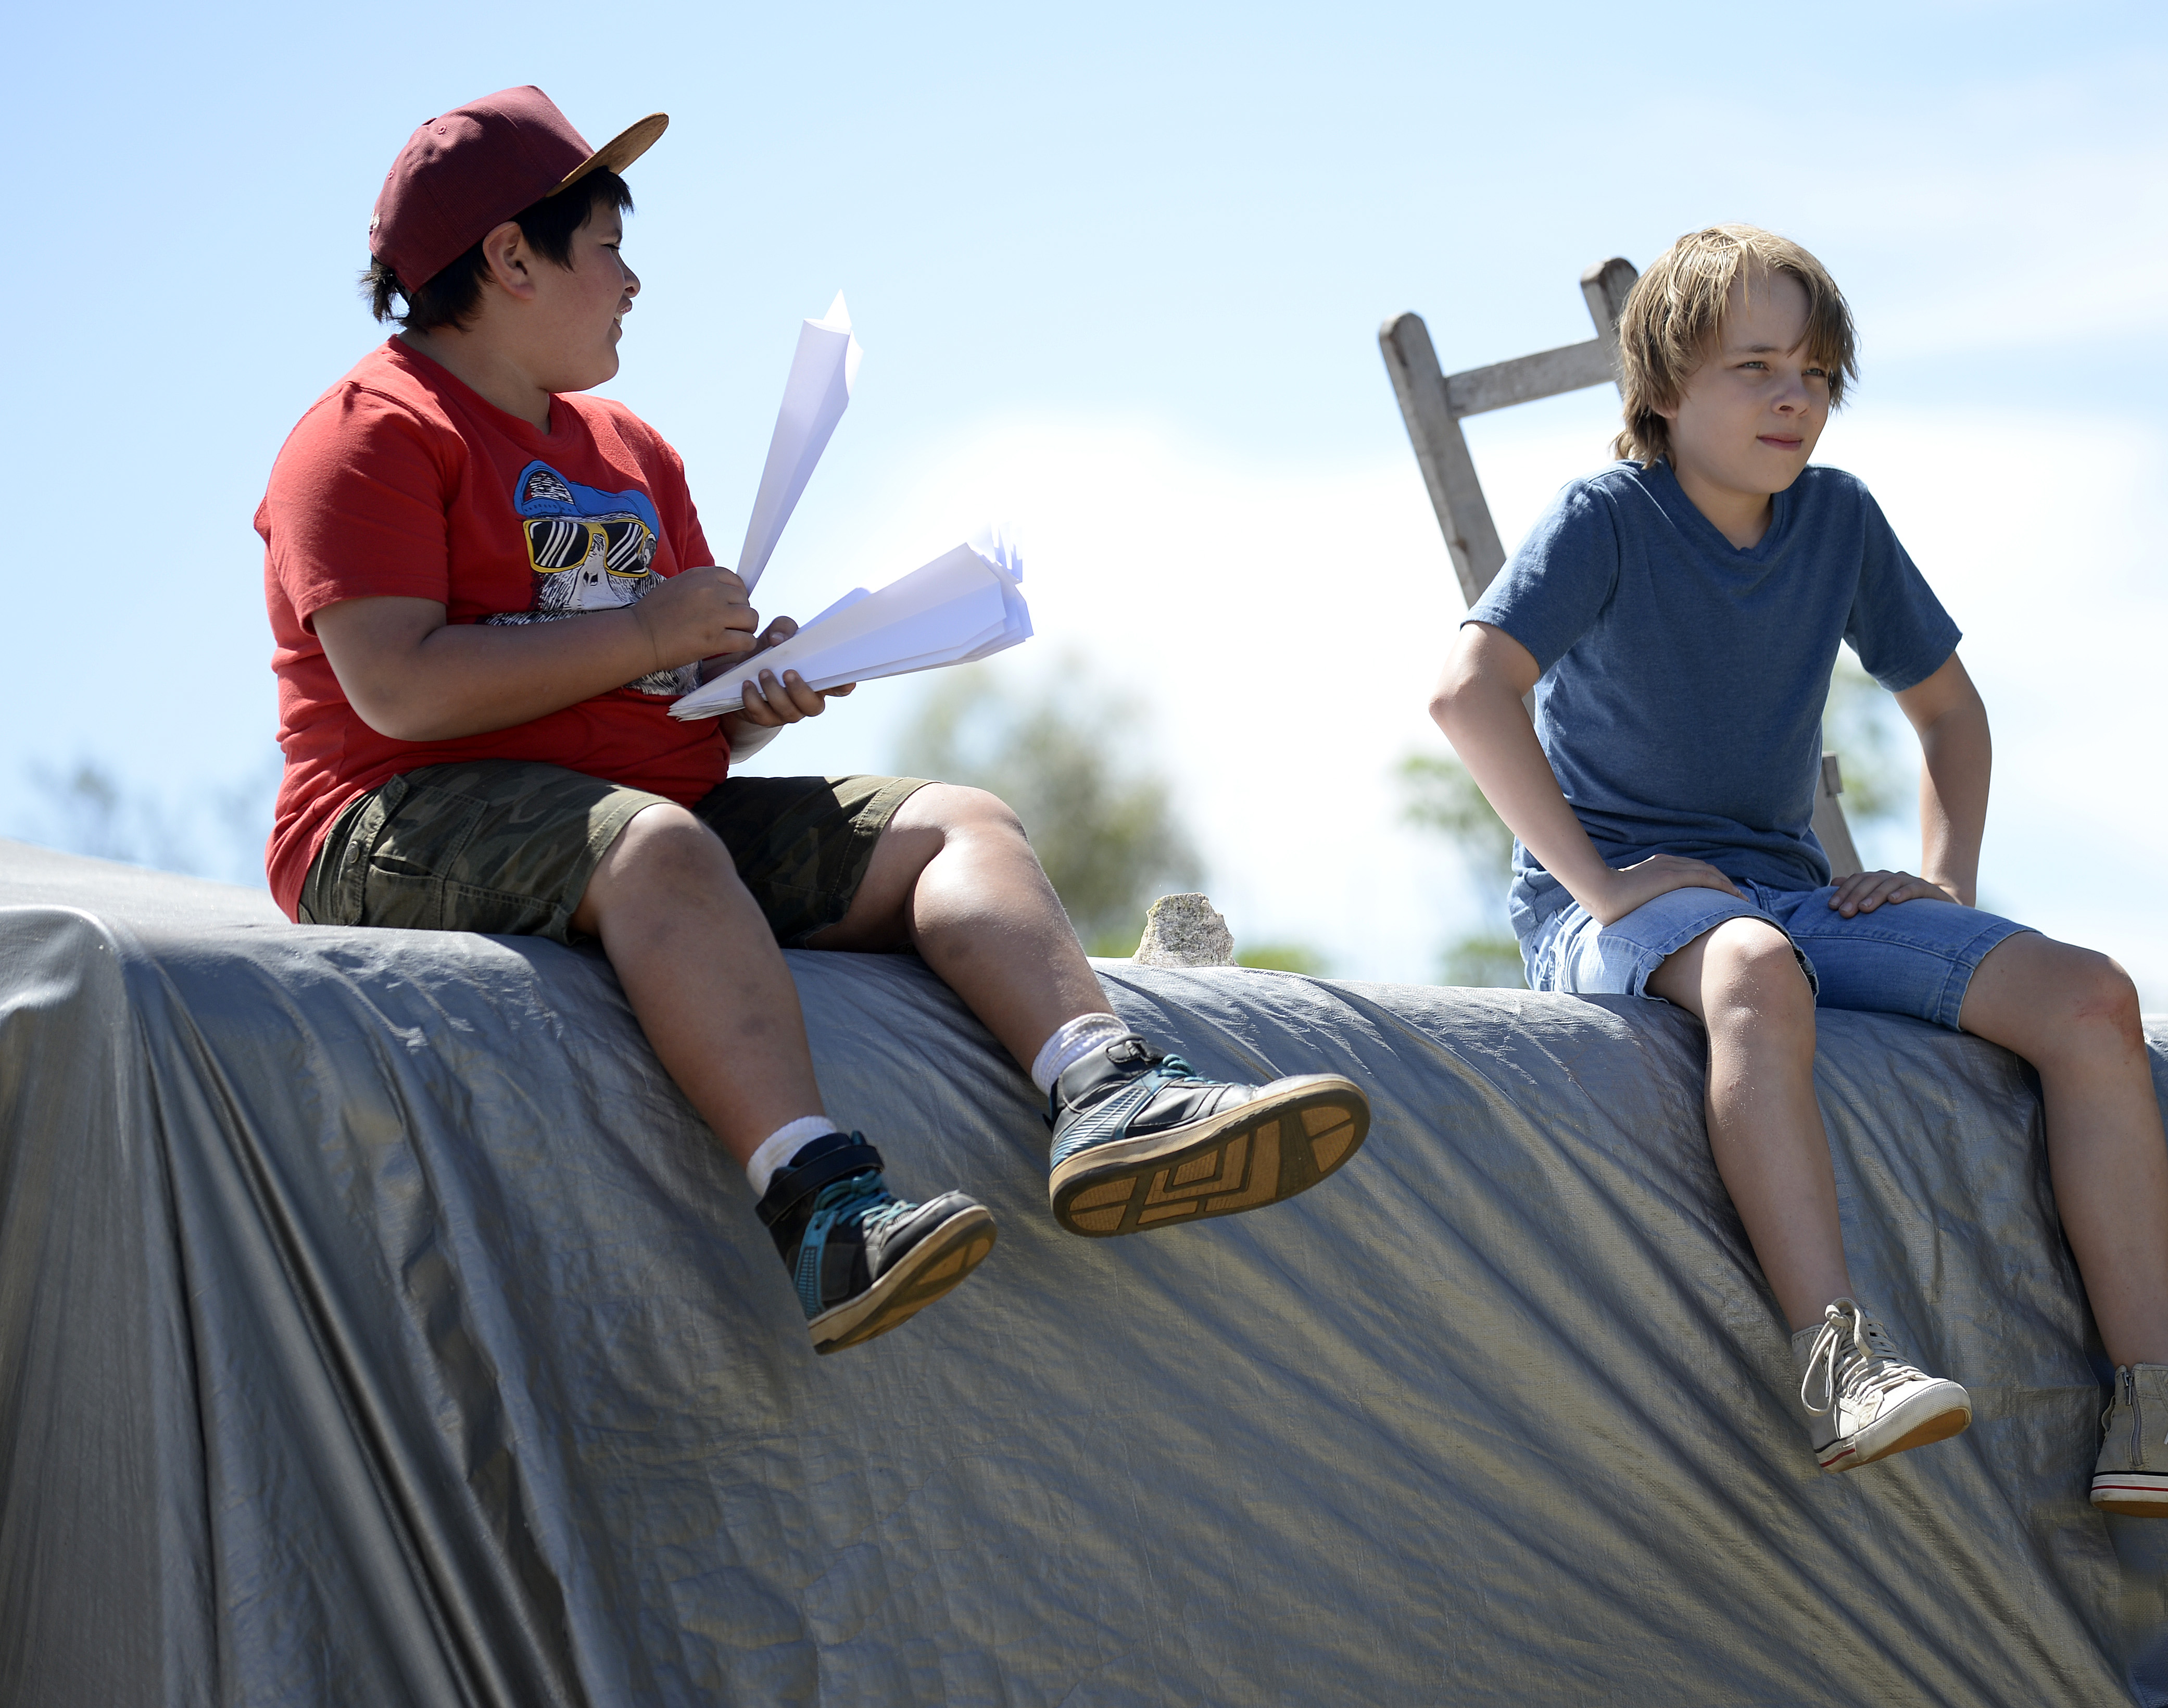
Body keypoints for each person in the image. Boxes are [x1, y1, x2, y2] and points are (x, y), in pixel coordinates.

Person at [259, 87, 1369, 1357]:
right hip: (393, 821)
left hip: (640, 816)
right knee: (656, 849)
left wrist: (744, 695)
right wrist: (646, 633)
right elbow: (396, 686)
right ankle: (823, 1206)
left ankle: (1106, 1092)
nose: (635, 282)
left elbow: (661, 700)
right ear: (511, 256)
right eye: (610, 246)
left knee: (958, 821)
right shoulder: (366, 433)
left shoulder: (631, 448)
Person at [1427, 224, 2168, 1535]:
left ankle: (2162, 1412)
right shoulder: (1604, 517)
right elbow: (1469, 694)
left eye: (1813, 370)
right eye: (1753, 367)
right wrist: (1598, 884)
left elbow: (1951, 715)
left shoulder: (1839, 518)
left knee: (2090, 996)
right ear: (1663, 388)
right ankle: (1835, 1360)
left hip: (1794, 891)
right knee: (1749, 964)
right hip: (1634, 905)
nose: (1792, 397)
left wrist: (1944, 881)